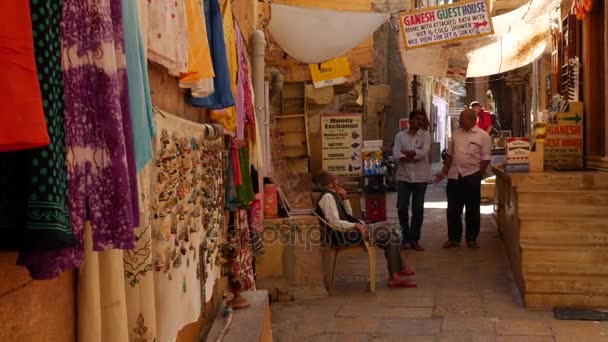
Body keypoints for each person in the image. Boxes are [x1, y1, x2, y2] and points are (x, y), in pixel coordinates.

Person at [315, 171, 416, 288]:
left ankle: (395, 276)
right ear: (331, 184)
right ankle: (402, 268)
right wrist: (354, 226)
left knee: (391, 238)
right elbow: (334, 222)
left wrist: (345, 198)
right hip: (343, 236)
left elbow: (348, 216)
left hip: (352, 231)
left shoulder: (332, 195)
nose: (339, 183)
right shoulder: (327, 197)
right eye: (336, 180)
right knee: (388, 226)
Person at [433, 109, 491, 249]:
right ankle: (454, 239)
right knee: (453, 210)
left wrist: (478, 175)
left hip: (472, 175)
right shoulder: (456, 134)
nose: (459, 120)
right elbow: (449, 156)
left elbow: (485, 158)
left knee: (472, 209)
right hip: (454, 176)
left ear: (472, 120)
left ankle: (471, 239)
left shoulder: (483, 136)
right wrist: (443, 172)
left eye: (462, 118)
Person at [393, 110, 431, 251]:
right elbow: (397, 153)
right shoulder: (400, 136)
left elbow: (423, 153)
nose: (420, 122)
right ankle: (406, 237)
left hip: (421, 177)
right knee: (402, 208)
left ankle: (415, 240)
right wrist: (413, 153)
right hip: (404, 177)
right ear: (410, 120)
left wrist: (408, 154)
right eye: (417, 119)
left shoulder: (426, 136)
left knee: (417, 209)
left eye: (422, 119)